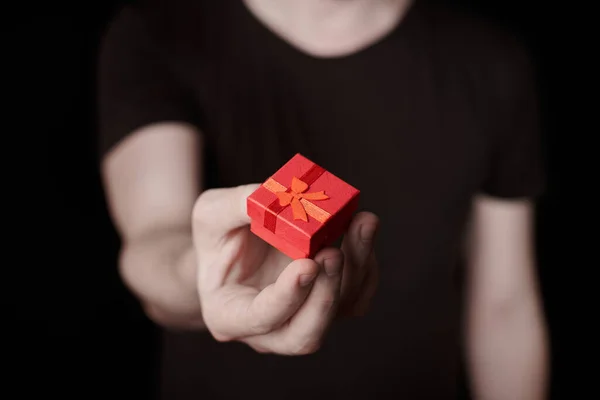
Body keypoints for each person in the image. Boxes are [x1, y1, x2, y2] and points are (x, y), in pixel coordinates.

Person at [97, 0, 549, 398]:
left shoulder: (491, 61)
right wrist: (207, 271)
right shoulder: (159, 30)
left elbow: (504, 305)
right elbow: (156, 236)